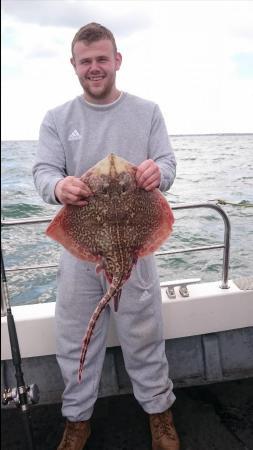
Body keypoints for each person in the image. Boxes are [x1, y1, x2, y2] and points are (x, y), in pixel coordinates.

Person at [33, 22, 180, 450]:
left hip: (134, 248)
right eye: (86, 61)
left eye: (102, 59)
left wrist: (160, 172)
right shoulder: (57, 118)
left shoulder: (147, 111)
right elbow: (44, 172)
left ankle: (159, 412)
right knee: (75, 333)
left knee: (144, 332)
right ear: (74, 66)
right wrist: (59, 187)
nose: (94, 67)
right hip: (81, 252)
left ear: (117, 61)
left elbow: (167, 163)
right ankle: (77, 419)